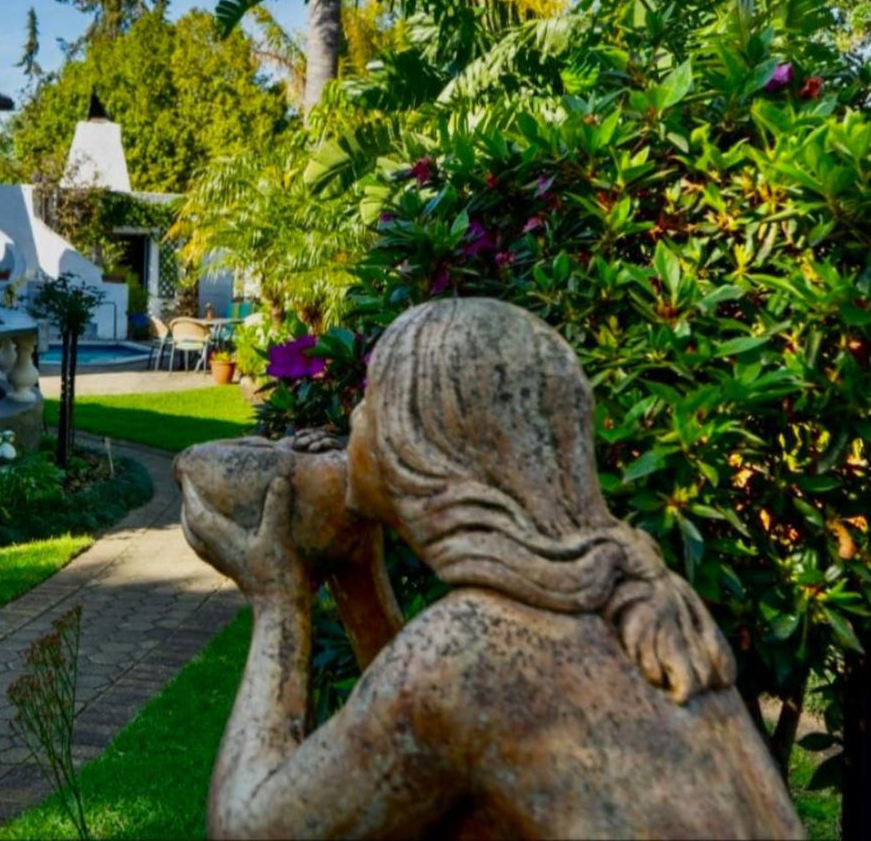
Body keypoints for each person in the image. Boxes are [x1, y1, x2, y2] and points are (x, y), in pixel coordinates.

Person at [180, 298, 803, 839]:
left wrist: (278, 602)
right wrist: (358, 575)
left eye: (371, 402)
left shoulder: (470, 650)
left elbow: (252, 827)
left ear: (418, 447)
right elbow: (424, 774)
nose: (354, 421)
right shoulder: (641, 604)